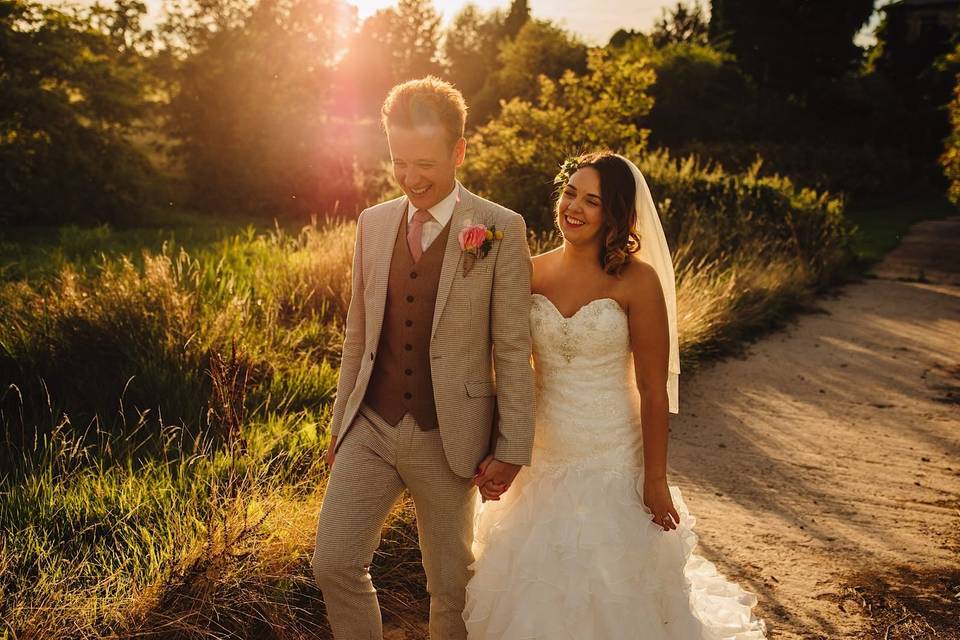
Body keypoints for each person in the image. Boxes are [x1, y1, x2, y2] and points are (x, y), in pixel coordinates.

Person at [463, 151, 768, 639]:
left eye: (592, 201)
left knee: (613, 590)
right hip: (542, 455)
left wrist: (655, 478)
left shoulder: (638, 281)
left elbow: (652, 386)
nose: (574, 208)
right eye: (569, 194)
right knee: (535, 588)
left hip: (611, 456)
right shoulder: (529, 272)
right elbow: (507, 368)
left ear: (617, 213)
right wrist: (504, 449)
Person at [310, 77, 536, 640]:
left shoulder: (500, 229)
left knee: (451, 586)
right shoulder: (373, 223)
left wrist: (511, 448)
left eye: (426, 163)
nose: (410, 178)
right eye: (399, 161)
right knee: (334, 562)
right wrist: (340, 428)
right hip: (371, 424)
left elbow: (511, 347)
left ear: (459, 151)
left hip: (450, 436)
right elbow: (357, 336)